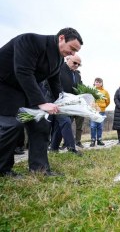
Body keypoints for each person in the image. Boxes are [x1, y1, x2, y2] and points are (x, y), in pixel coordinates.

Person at [0, 27, 83, 177]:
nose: (73, 54)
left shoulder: (58, 58)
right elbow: (23, 71)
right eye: (72, 48)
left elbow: (55, 83)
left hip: (26, 90)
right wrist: (41, 102)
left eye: (76, 51)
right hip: (5, 86)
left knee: (41, 124)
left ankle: (40, 169)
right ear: (61, 38)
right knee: (12, 125)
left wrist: (64, 103)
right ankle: (3, 169)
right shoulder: (29, 41)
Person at [49, 54, 83, 156]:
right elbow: (50, 84)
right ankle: (72, 148)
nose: (76, 65)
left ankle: (54, 148)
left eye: (79, 64)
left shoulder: (77, 75)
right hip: (58, 102)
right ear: (68, 59)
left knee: (60, 126)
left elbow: (79, 88)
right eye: (75, 63)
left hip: (70, 104)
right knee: (66, 122)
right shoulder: (58, 69)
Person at [90, 78, 110, 147]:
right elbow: (89, 100)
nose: (98, 83)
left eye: (99, 82)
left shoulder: (105, 92)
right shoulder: (91, 91)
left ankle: (99, 140)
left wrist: (103, 107)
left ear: (102, 83)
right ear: (94, 83)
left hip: (102, 112)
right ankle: (93, 140)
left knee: (100, 126)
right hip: (94, 112)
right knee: (93, 126)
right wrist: (94, 107)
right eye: (96, 82)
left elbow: (108, 101)